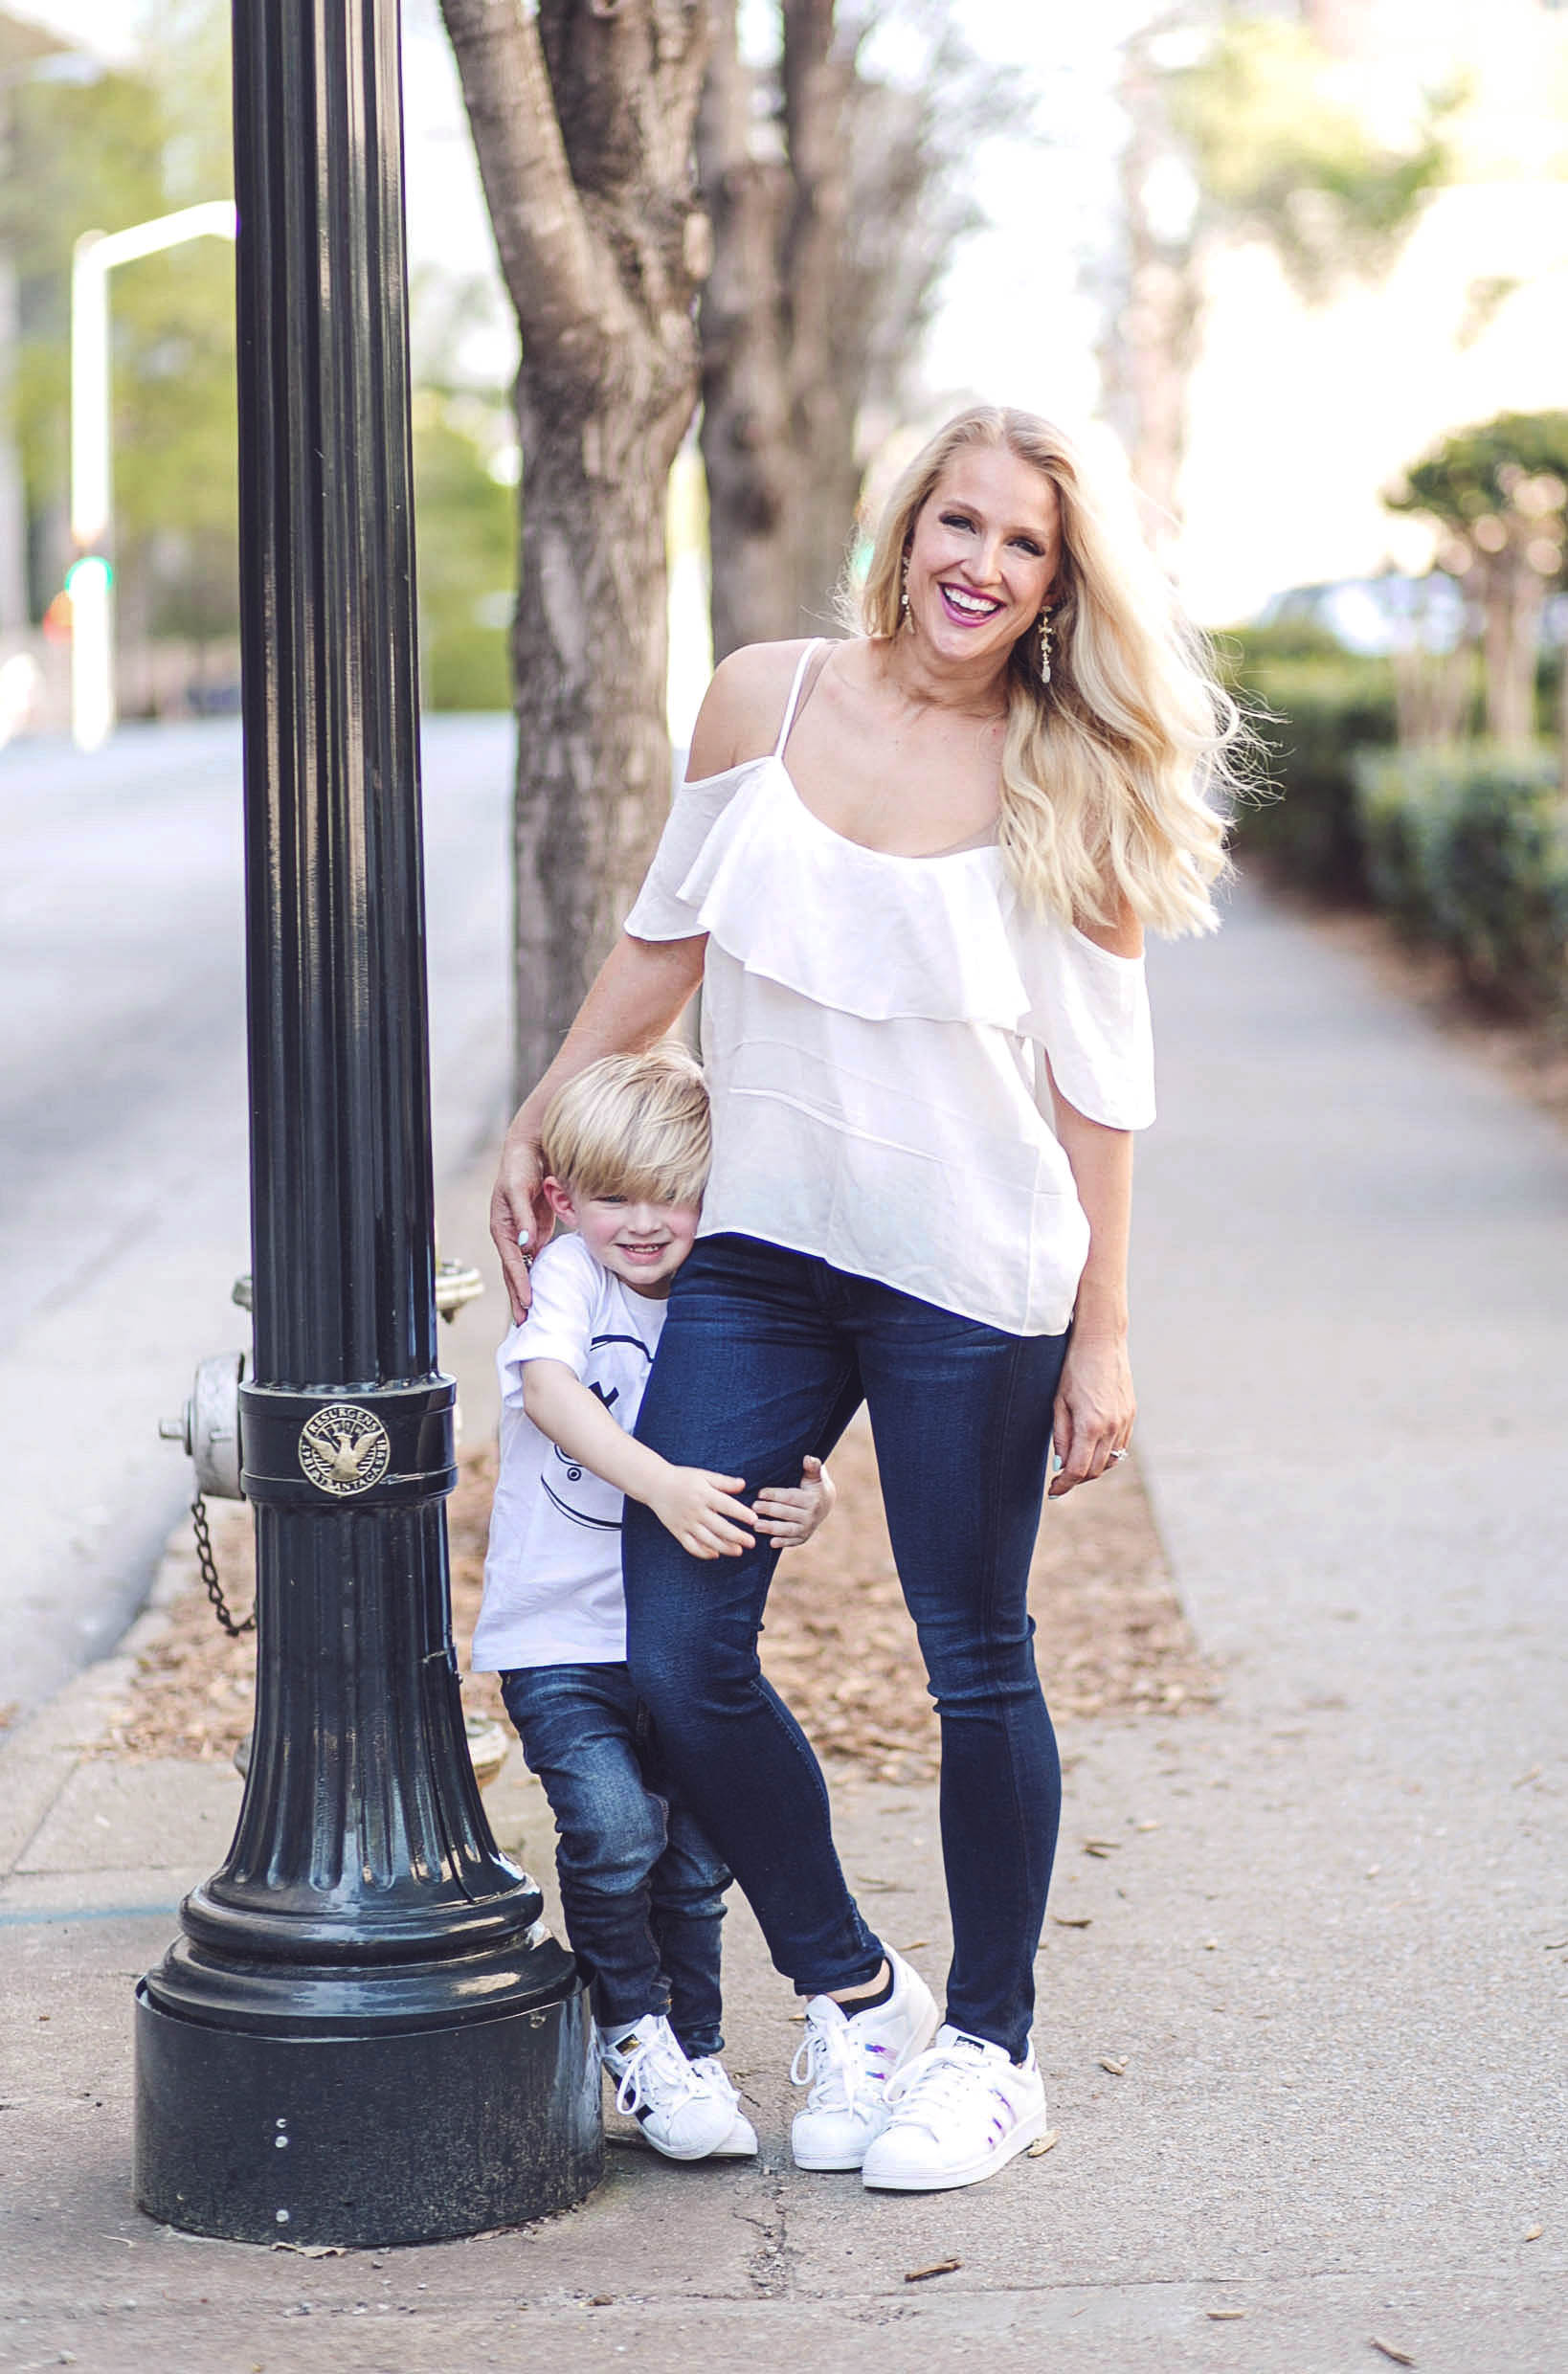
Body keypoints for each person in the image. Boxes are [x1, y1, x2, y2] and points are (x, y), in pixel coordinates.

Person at [489, 405, 1239, 2193]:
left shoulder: (1076, 773)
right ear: (901, 528)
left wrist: (1105, 1328)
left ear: (1061, 585)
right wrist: (546, 1106)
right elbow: (665, 936)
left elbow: (1097, 1089)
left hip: (971, 1273)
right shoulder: (764, 695)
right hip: (765, 1247)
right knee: (676, 1652)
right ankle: (859, 1990)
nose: (979, 565)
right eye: (955, 523)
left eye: (1024, 545)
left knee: (974, 1660)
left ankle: (990, 2049)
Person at [470, 1046, 836, 2162]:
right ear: (561, 1200)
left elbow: (782, 1442)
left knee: (692, 1855)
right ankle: (629, 2024)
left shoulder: (728, 1300)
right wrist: (661, 1483)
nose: (643, 1221)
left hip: (675, 1639)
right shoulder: (575, 1276)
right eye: (613, 1195)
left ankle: (696, 2045)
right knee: (618, 1826)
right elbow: (549, 1389)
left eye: (671, 1193)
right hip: (560, 1636)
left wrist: (806, 1503)